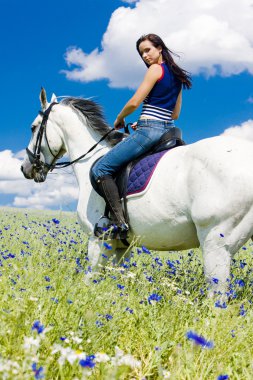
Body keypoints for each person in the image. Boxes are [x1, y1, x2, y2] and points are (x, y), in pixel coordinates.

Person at [91, 33, 192, 238]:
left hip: (150, 130)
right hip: (167, 130)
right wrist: (145, 119)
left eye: (148, 50)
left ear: (159, 48)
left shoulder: (155, 69)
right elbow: (175, 114)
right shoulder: (178, 77)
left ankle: (118, 224)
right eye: (141, 53)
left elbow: (135, 102)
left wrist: (120, 118)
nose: (145, 56)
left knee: (102, 168)